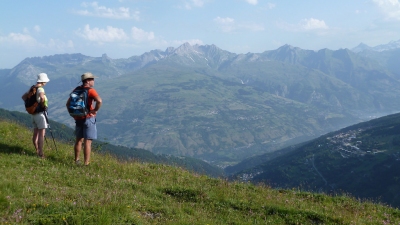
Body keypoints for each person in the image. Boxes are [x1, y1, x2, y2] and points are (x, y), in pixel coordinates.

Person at [66, 72, 102, 166]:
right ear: (88, 81)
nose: (94, 81)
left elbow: (67, 104)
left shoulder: (76, 89)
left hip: (78, 118)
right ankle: (86, 163)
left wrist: (72, 114)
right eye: (92, 79)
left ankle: (77, 160)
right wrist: (95, 110)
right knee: (88, 141)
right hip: (88, 118)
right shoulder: (91, 90)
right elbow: (99, 101)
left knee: (78, 140)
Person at [21, 73, 50, 158]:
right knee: (41, 134)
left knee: (35, 133)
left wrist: (31, 105)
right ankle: (41, 153)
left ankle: (37, 150)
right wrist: (41, 104)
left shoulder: (32, 88)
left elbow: (23, 97)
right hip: (40, 114)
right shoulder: (40, 89)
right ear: (43, 81)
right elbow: (42, 98)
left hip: (33, 114)